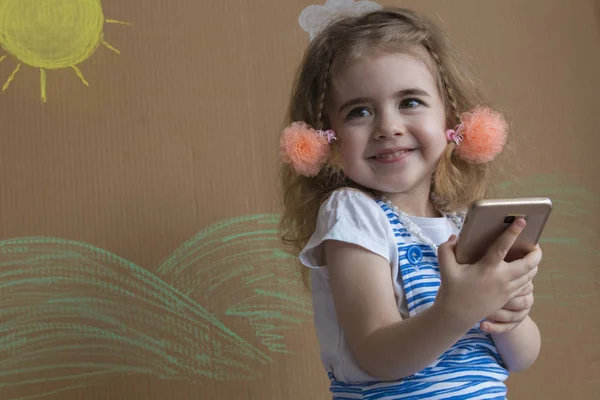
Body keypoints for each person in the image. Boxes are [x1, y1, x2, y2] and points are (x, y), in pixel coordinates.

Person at [277, 6, 541, 400]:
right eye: (359, 111)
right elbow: (377, 355)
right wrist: (460, 308)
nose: (389, 127)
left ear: (450, 118)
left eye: (410, 102)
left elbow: (520, 359)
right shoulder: (353, 214)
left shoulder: (462, 222)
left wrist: (507, 309)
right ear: (326, 136)